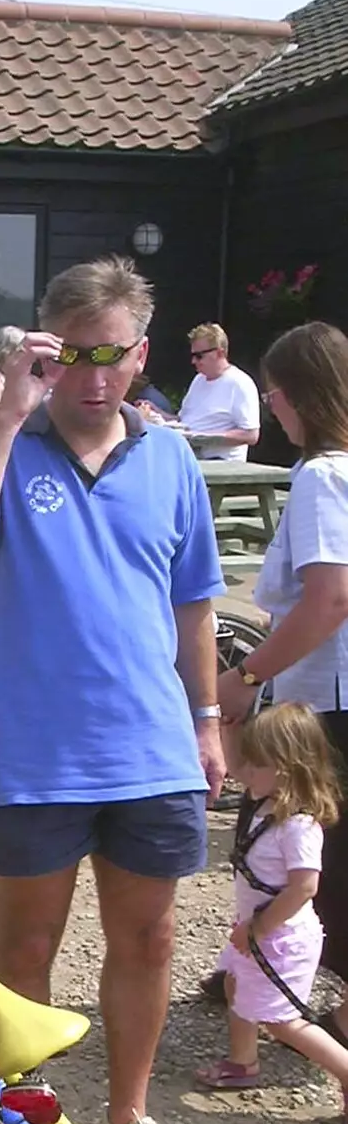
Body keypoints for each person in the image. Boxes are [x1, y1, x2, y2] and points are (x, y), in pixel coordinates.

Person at [0, 255, 225, 1124]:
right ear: (47, 347)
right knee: (25, 951)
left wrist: (207, 720)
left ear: (142, 352)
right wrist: (7, 415)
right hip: (32, 754)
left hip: (149, 748)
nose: (95, 378)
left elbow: (194, 605)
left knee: (148, 941)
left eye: (115, 355)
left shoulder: (170, 457)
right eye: (76, 354)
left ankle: (128, 1119)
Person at [208, 322, 348, 1045]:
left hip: (325, 699)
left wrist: (245, 674)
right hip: (331, 691)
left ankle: (261, 966)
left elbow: (328, 596)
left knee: (284, 843)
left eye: (270, 391)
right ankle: (250, 964)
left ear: (293, 396)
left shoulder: (324, 475)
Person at [195, 703, 348, 1117]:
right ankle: (244, 1063)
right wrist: (227, 725)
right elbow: (236, 767)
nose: (242, 772)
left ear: (286, 768)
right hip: (258, 930)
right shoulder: (265, 799)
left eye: (254, 763)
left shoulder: (297, 825)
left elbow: (304, 887)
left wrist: (258, 929)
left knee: (283, 1021)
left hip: (279, 938)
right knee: (234, 987)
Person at [167, 324, 260, 461]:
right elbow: (183, 421)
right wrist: (154, 413)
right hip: (191, 458)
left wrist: (203, 437)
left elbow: (251, 435)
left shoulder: (240, 383)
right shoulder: (199, 379)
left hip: (221, 464)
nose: (193, 361)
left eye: (199, 356)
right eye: (193, 356)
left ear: (220, 353)